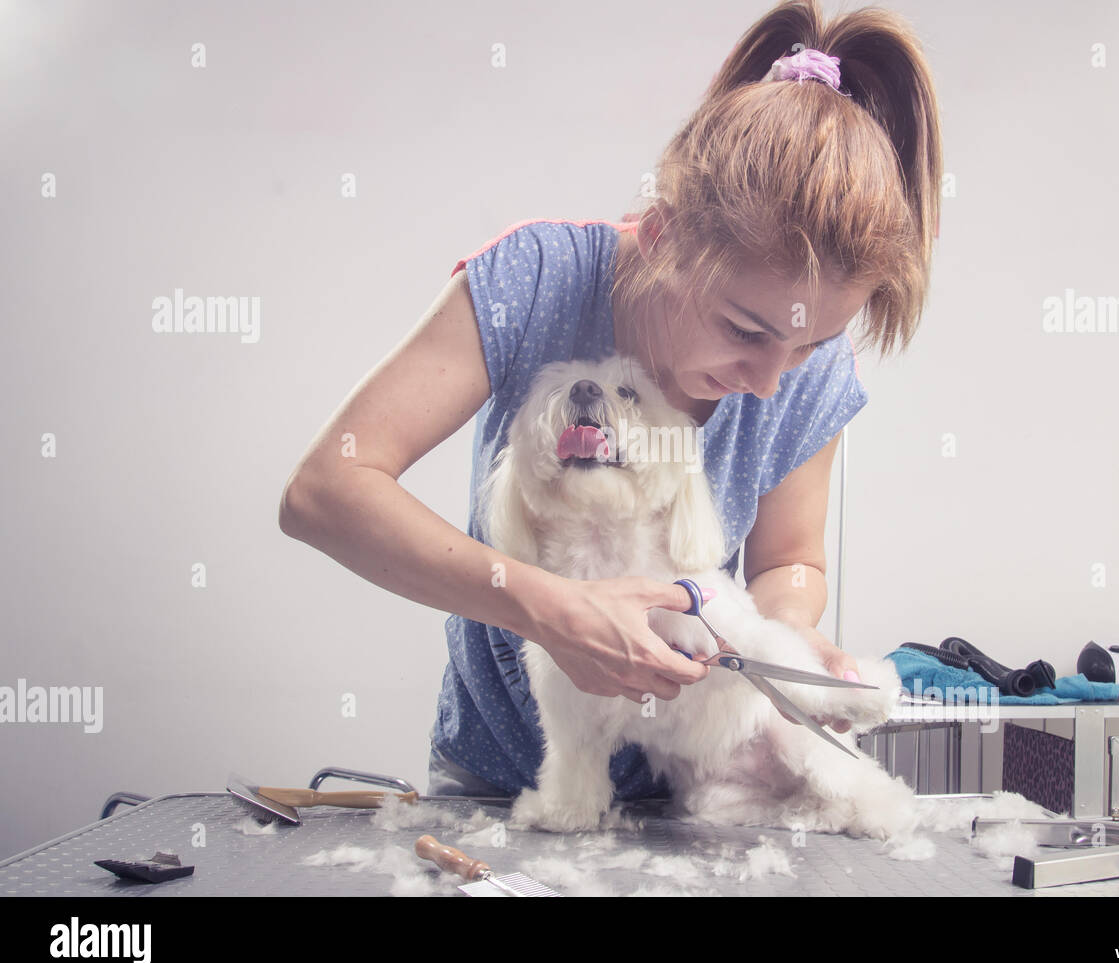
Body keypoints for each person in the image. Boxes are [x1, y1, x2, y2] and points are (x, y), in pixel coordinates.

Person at [278, 0, 942, 801]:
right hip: (500, 788)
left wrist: (785, 640)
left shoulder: (805, 376)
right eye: (745, 329)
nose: (770, 380)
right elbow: (326, 490)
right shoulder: (535, 282)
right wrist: (547, 608)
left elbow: (789, 560)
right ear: (661, 238)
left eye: (808, 345)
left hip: (690, 793)